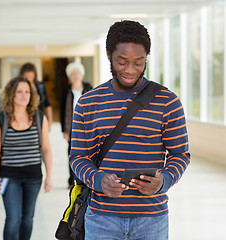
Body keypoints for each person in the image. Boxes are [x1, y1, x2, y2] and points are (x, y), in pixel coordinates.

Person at [69, 20, 190, 239]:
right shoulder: (88, 103)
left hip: (152, 220)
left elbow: (180, 154)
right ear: (108, 55)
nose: (130, 70)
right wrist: (99, 181)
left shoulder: (168, 102)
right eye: (122, 61)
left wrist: (164, 180)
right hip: (101, 219)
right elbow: (78, 157)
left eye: (138, 62)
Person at [0, 76, 53, 240]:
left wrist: (49, 176)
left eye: (27, 92)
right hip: (10, 177)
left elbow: (46, 149)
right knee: (13, 219)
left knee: (27, 219)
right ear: (11, 94)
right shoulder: (0, 120)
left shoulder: (39, 118)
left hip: (33, 177)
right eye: (19, 92)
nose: (24, 95)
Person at [60, 62, 92, 188]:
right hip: (73, 127)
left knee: (88, 153)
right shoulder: (66, 91)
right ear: (69, 76)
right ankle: (72, 180)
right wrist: (65, 130)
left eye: (77, 73)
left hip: (87, 127)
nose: (76, 76)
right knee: (72, 153)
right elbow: (63, 111)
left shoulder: (89, 89)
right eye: (73, 74)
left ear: (82, 74)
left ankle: (85, 178)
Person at [19, 62, 53, 131]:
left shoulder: (40, 86)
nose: (29, 80)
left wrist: (49, 122)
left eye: (31, 77)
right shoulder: (19, 88)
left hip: (39, 119)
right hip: (25, 120)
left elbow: (47, 105)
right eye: (27, 77)